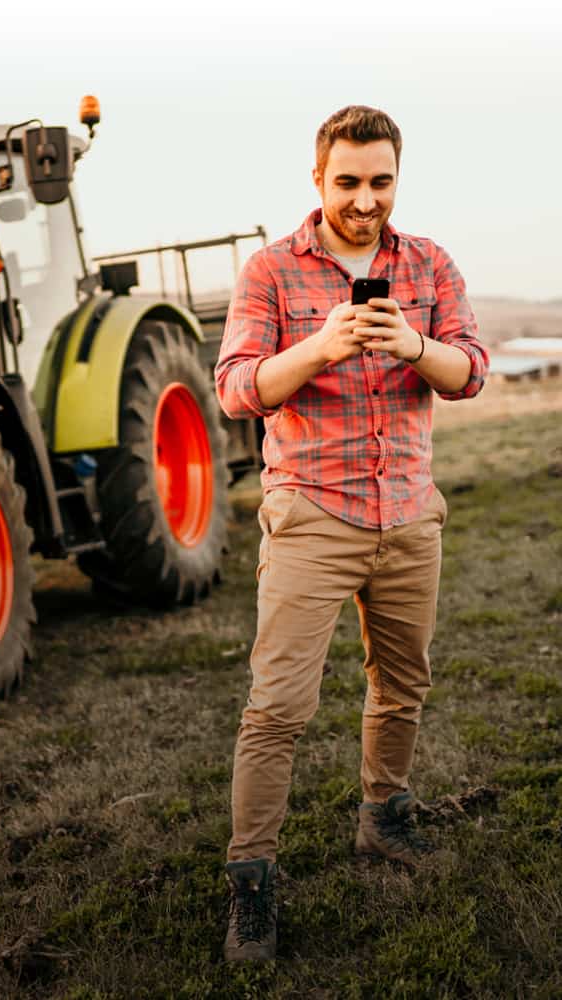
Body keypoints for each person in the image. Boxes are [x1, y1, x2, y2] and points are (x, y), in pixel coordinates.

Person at [214, 105, 489, 963]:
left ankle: (385, 818)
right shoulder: (270, 272)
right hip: (312, 516)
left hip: (408, 514)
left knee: (401, 684)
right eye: (348, 182)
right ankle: (250, 881)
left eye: (380, 182)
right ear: (317, 178)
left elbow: (471, 372)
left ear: (395, 178)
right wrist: (321, 349)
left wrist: (412, 343)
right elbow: (235, 388)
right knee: (278, 709)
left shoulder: (431, 263)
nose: (364, 201)